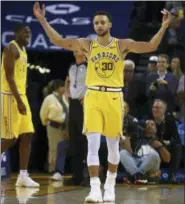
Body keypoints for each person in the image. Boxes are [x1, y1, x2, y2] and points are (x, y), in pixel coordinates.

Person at [33, 3, 172, 202]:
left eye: (102, 22)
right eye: (96, 23)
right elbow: (59, 40)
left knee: (114, 147)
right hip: (93, 96)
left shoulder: (121, 44)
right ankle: (95, 188)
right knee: (92, 145)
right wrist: (42, 20)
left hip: (114, 97)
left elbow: (150, 46)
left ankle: (110, 186)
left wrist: (164, 26)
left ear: (110, 24)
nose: (99, 25)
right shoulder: (87, 45)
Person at [0, 23, 39, 187]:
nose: (27, 35)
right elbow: (9, 78)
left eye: (29, 32)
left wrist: (23, 98)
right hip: (10, 97)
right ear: (16, 33)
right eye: (24, 32)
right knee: (11, 137)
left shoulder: (23, 51)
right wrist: (19, 100)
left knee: (28, 133)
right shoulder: (11, 48)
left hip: (21, 96)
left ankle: (23, 175)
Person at [120, 120, 170, 184]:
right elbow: (126, 147)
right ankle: (138, 176)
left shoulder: (159, 139)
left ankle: (134, 176)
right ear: (144, 128)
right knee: (122, 152)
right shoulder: (136, 137)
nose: (151, 126)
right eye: (148, 125)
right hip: (136, 163)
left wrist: (160, 146)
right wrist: (128, 136)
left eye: (153, 124)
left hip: (151, 165)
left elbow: (167, 159)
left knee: (154, 154)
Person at [65, 51, 88, 185]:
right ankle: (76, 176)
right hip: (73, 104)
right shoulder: (71, 66)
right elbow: (68, 80)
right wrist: (66, 91)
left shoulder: (91, 66)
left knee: (85, 141)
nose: (75, 49)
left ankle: (88, 177)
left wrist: (88, 95)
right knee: (74, 141)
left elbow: (96, 83)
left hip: (84, 105)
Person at [40, 79, 69, 181]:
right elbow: (43, 113)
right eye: (62, 86)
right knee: (54, 148)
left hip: (64, 127)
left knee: (62, 149)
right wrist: (46, 123)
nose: (64, 88)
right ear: (57, 87)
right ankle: (52, 169)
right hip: (53, 126)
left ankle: (60, 169)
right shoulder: (49, 98)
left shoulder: (64, 98)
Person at [151, 99, 182, 183]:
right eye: (154, 107)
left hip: (165, 147)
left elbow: (177, 139)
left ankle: (171, 177)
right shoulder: (149, 120)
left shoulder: (170, 121)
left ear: (164, 110)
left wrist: (166, 143)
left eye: (158, 108)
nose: (155, 110)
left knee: (177, 147)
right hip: (152, 147)